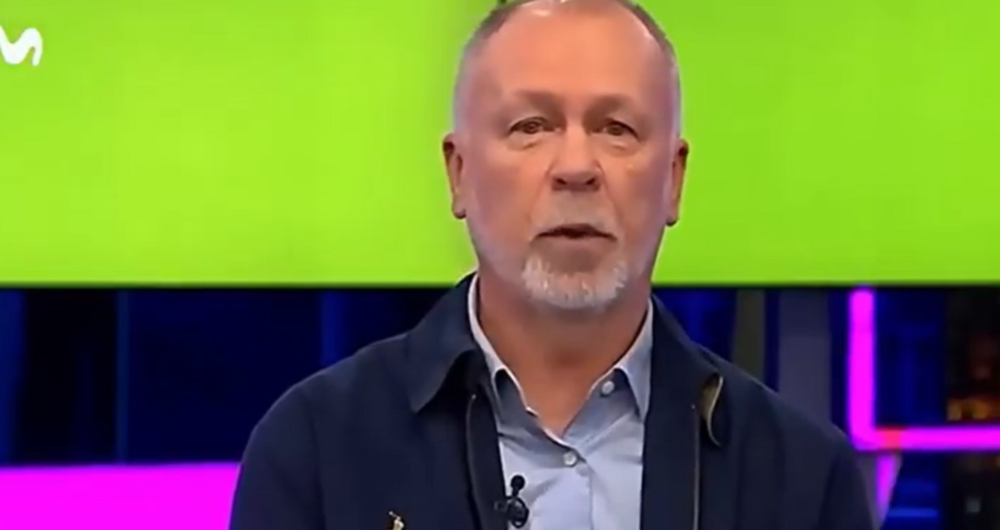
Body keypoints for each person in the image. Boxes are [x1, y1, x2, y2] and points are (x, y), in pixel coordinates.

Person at [229, 0, 876, 529]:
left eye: (616, 128)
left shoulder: (801, 479)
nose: (575, 167)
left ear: (674, 180)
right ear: (459, 173)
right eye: (531, 126)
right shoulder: (316, 452)